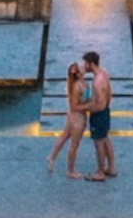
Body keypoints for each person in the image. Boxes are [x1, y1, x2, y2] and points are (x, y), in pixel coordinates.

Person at [46, 62, 89, 178]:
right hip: (77, 119)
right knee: (74, 145)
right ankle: (70, 171)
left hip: (73, 117)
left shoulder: (81, 83)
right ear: (78, 73)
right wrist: (89, 106)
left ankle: (51, 157)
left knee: (64, 137)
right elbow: (75, 105)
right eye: (81, 67)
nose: (83, 67)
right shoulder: (77, 86)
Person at [81, 49, 116, 181]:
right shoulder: (104, 73)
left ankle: (100, 172)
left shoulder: (96, 82)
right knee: (105, 139)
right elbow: (109, 95)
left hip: (99, 115)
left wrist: (87, 109)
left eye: (85, 63)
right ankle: (111, 168)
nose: (84, 66)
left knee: (99, 144)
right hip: (106, 112)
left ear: (91, 64)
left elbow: (99, 105)